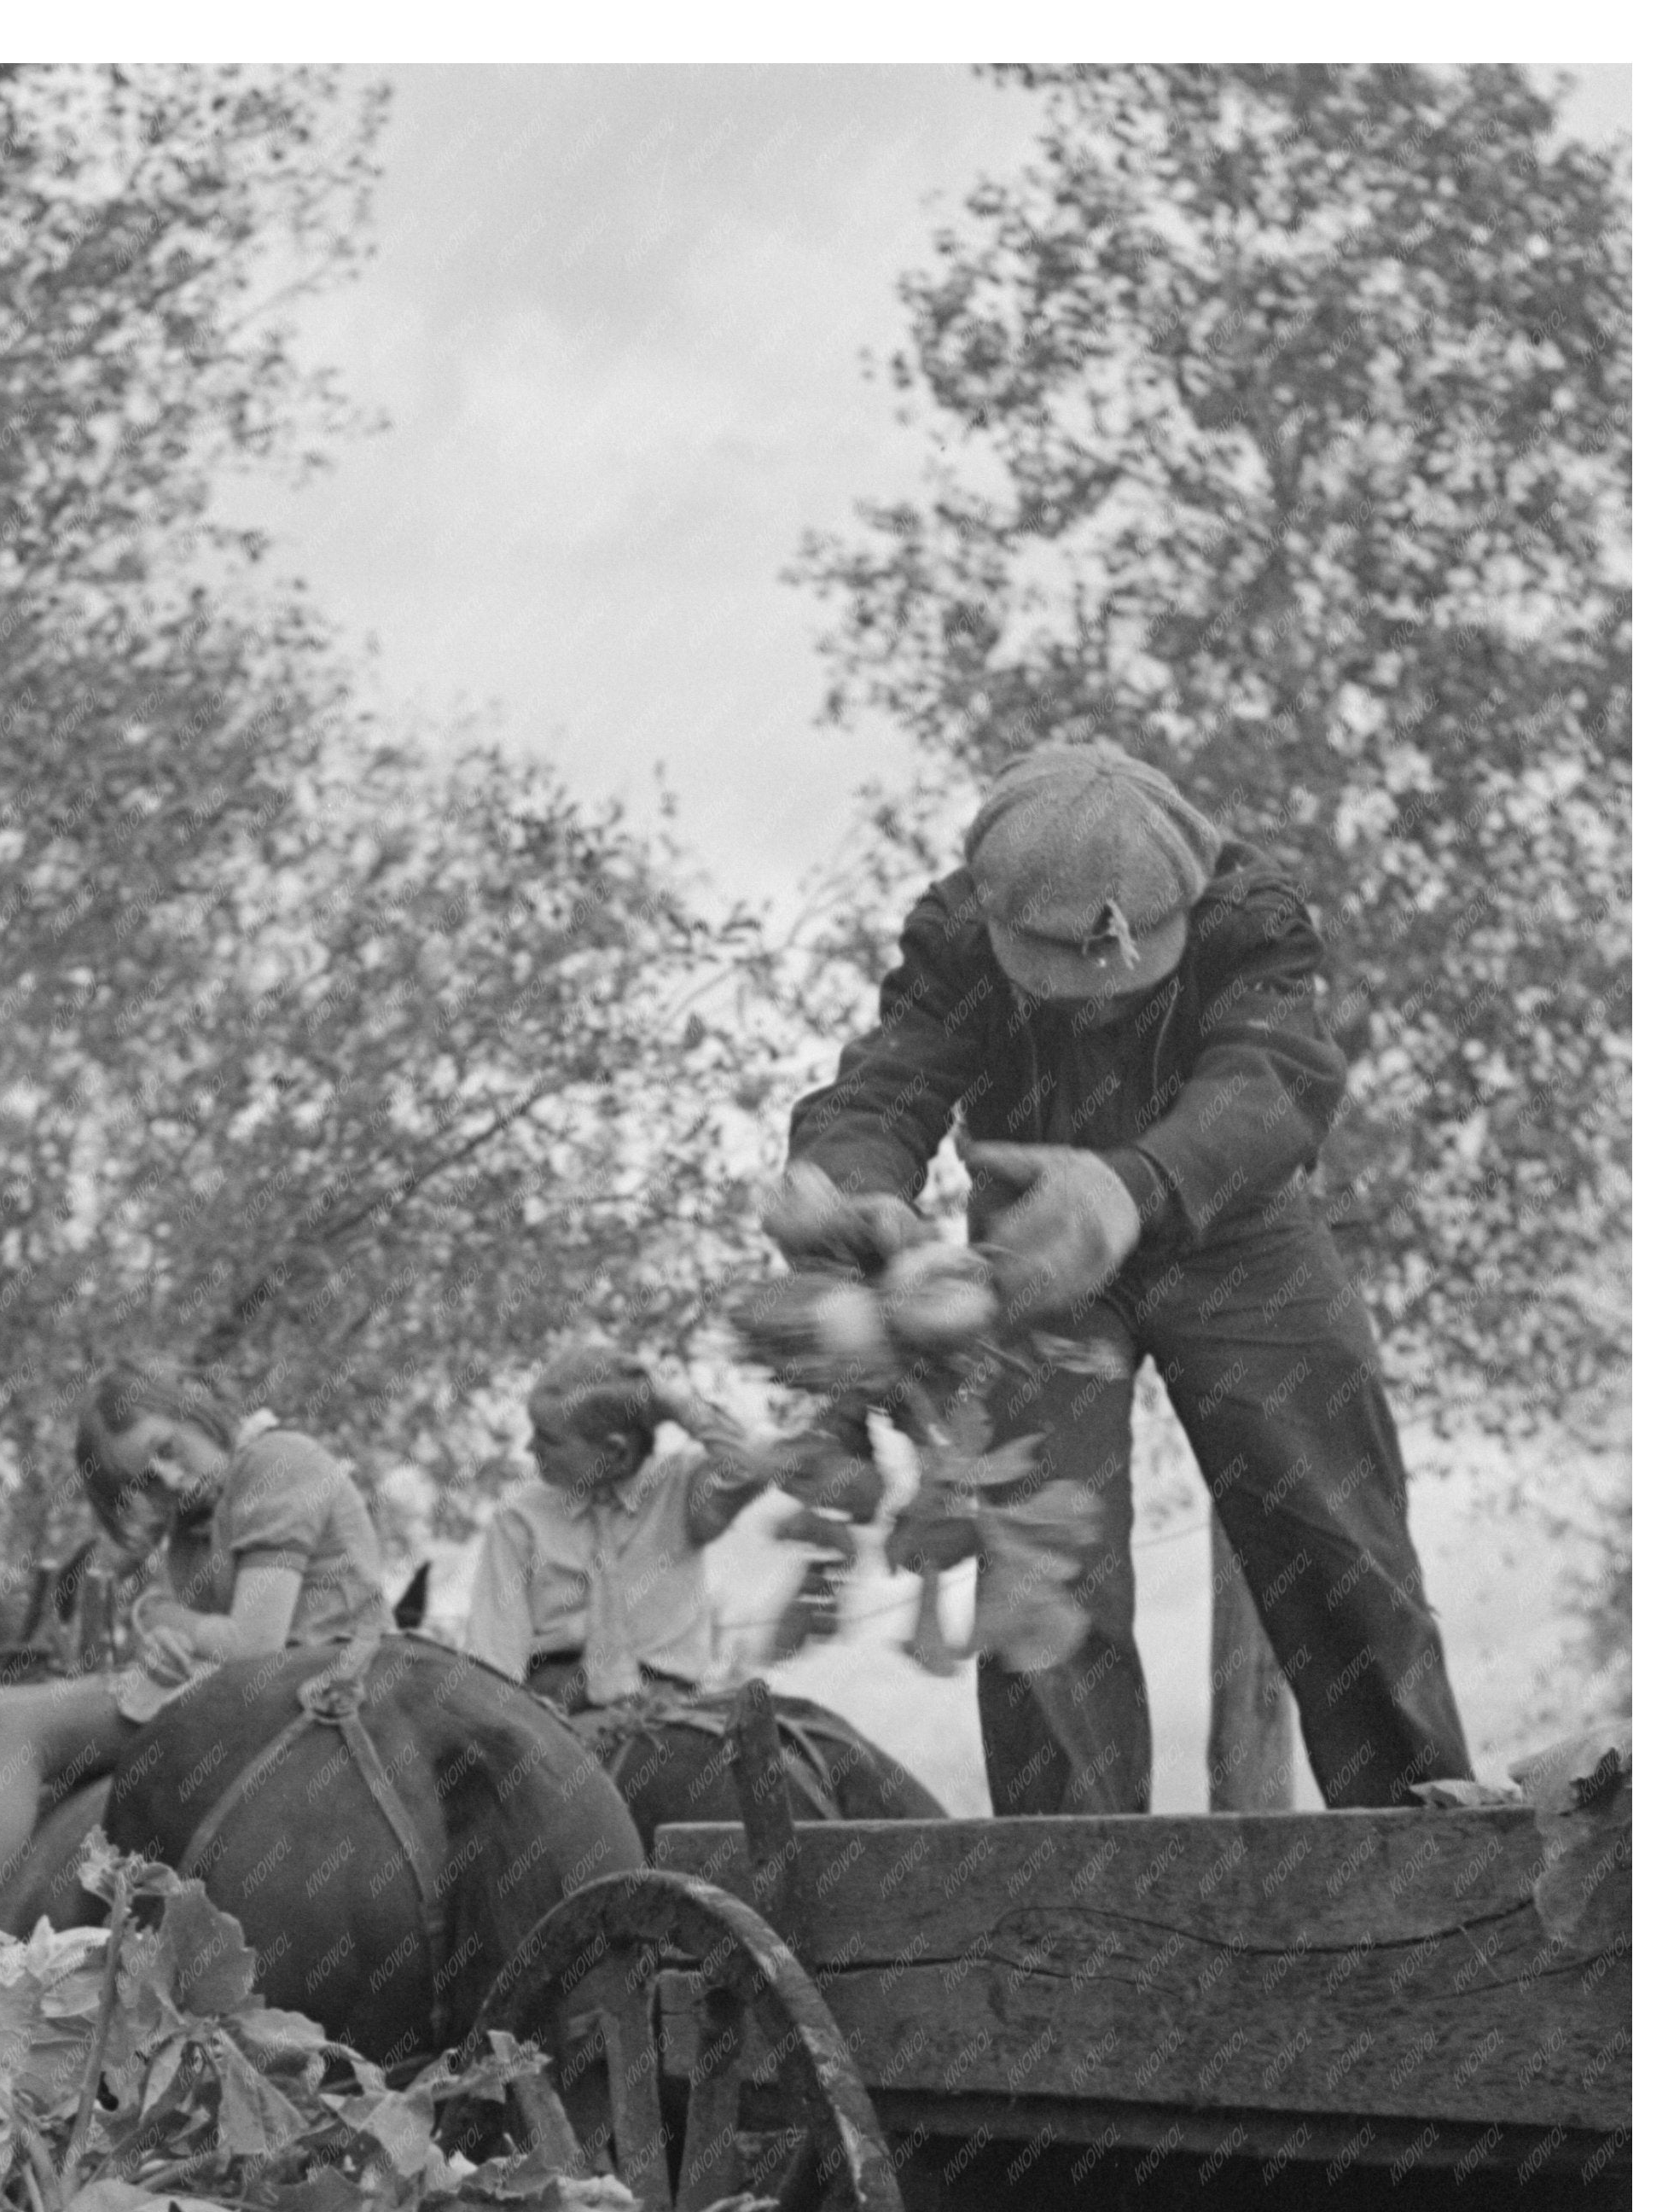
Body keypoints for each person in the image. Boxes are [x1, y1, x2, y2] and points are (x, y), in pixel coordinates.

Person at [785, 739, 1470, 1814]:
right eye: (1056, 979)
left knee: (1336, 1537)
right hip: (1026, 1253)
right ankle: (1074, 1901)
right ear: (1000, 923)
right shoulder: (957, 942)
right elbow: (880, 1094)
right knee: (1043, 1573)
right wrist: (851, 1198)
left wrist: (1132, 1185)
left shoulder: (1250, 920)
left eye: (1115, 980)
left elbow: (1273, 1081)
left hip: (1233, 1227)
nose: (1091, 1007)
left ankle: (1427, 1858)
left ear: (1181, 912)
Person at [0, 1361, 387, 1975]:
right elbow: (183, 1632)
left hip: (313, 1691)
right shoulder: (196, 1523)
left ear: (196, 1408)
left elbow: (252, 1644)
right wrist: (158, 1627)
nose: (168, 1479)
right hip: (244, 1690)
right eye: (148, 1481)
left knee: (12, 1728)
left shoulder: (278, 1464)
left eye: (168, 1449)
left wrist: (163, 1619)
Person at [462, 1343, 770, 1704]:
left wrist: (673, 1401)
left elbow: (756, 1463)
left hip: (667, 1704)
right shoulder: (519, 1518)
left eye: (548, 1438)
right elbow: (493, 1658)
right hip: (555, 1705)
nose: (530, 1448)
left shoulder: (682, 1490)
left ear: (615, 1451)